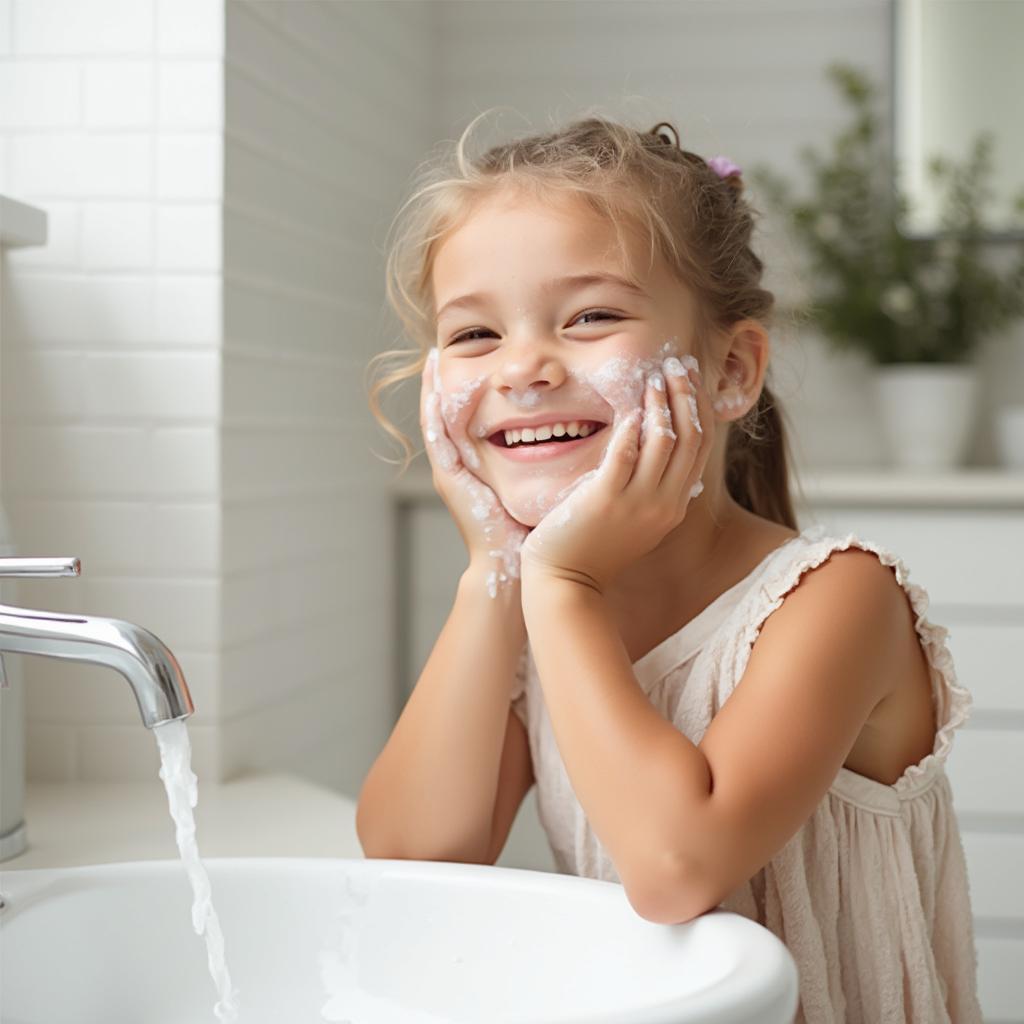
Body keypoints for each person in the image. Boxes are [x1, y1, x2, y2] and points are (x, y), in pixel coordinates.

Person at [356, 112, 983, 1024]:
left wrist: (560, 588)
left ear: (730, 370)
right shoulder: (531, 607)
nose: (523, 366)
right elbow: (414, 860)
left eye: (592, 316)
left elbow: (675, 867)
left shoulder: (839, 598)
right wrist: (492, 570)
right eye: (474, 335)